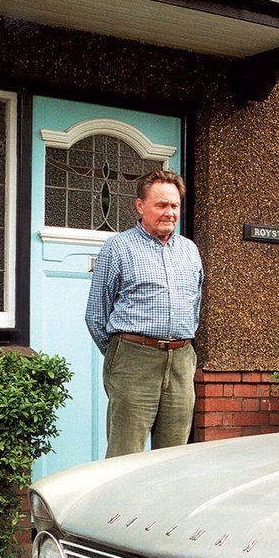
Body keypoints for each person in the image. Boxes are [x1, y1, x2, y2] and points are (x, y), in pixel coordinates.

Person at [85, 169, 203, 458]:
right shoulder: (118, 248)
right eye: (161, 205)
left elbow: (195, 306)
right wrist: (123, 352)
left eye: (174, 205)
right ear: (140, 206)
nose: (169, 213)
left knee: (173, 456)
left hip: (181, 361)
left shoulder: (189, 250)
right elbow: (96, 314)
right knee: (125, 454)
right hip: (134, 360)